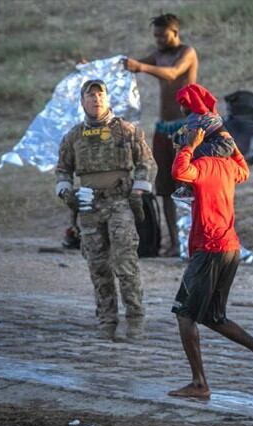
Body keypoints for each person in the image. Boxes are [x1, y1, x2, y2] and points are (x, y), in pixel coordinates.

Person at [168, 127, 253, 399]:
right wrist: (231, 140)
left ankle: (199, 383)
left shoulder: (203, 165)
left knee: (185, 314)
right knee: (212, 316)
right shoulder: (228, 166)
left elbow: (179, 172)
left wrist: (189, 146)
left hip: (210, 249)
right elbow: (245, 169)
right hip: (230, 247)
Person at [55, 79, 156, 340]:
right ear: (82, 101)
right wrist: (67, 191)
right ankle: (106, 320)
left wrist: (138, 189)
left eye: (100, 95)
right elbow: (63, 170)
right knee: (98, 266)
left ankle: (135, 318)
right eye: (90, 96)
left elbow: (145, 161)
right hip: (89, 207)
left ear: (108, 99)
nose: (96, 100)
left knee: (125, 262)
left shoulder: (126, 131)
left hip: (120, 203)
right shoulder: (74, 136)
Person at [124, 13, 199, 257]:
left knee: (186, 186)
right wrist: (93, 66)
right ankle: (175, 243)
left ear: (175, 32)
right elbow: (129, 65)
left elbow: (172, 73)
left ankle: (191, 240)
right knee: (165, 188)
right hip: (163, 127)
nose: (158, 40)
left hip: (185, 126)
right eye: (155, 36)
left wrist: (142, 67)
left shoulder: (186, 53)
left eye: (162, 35)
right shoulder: (158, 55)